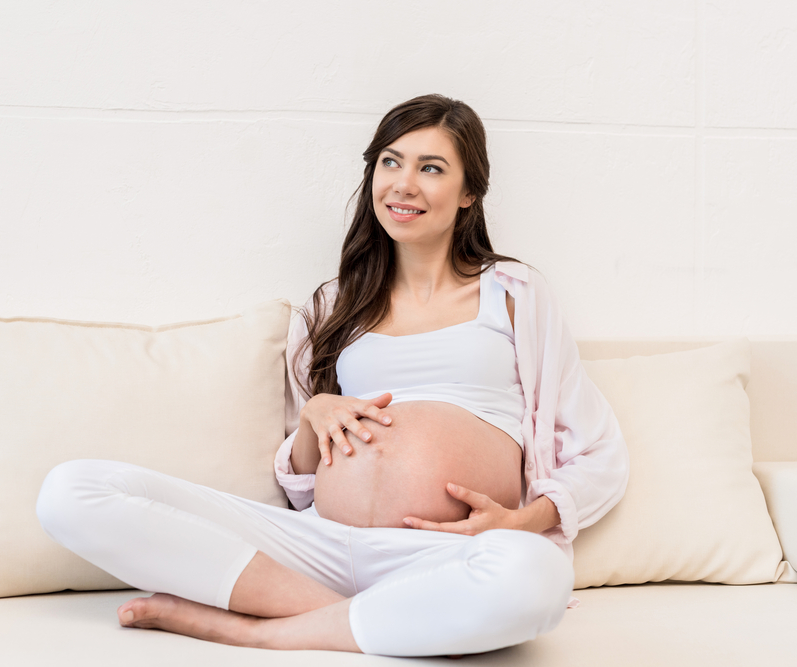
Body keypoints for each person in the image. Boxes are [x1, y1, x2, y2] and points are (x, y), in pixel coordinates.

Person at [36, 94, 629, 657]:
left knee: (535, 577)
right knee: (72, 491)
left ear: (469, 190)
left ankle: (264, 632)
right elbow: (298, 486)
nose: (404, 183)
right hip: (314, 546)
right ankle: (366, 616)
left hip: (441, 553)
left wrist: (526, 520)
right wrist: (313, 422)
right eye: (390, 161)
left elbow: (598, 450)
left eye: (431, 168)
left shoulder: (515, 293)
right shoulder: (332, 305)